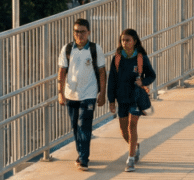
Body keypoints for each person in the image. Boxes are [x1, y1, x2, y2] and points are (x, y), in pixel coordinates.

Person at [58, 18, 107, 171]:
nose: (79, 35)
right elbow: (61, 72)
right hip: (71, 94)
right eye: (76, 31)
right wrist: (60, 93)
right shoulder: (67, 49)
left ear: (89, 32)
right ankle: (81, 154)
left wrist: (102, 94)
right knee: (75, 127)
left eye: (82, 32)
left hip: (89, 94)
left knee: (84, 125)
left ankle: (84, 159)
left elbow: (102, 72)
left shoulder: (95, 49)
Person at [107, 28, 157, 172]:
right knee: (123, 131)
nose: (125, 43)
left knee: (132, 126)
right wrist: (111, 100)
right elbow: (112, 81)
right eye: (122, 40)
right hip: (121, 98)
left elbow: (151, 75)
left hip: (135, 98)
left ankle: (130, 160)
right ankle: (135, 146)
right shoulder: (117, 58)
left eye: (128, 40)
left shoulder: (141, 58)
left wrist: (143, 82)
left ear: (135, 41)